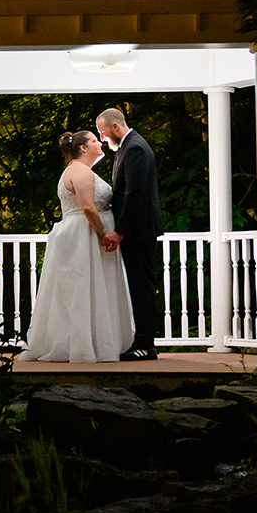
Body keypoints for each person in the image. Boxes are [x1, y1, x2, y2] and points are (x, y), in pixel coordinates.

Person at [18, 130, 134, 363]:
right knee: (82, 289)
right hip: (84, 235)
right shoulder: (80, 172)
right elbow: (88, 208)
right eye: (93, 141)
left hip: (82, 233)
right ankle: (81, 346)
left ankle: (91, 340)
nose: (99, 143)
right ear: (83, 148)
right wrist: (103, 235)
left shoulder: (80, 170)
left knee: (88, 289)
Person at [97, 108, 163, 361]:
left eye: (103, 133)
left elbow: (135, 194)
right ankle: (142, 341)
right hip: (136, 229)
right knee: (138, 285)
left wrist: (119, 231)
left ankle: (145, 345)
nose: (103, 138)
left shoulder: (135, 148)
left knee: (142, 286)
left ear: (115, 127)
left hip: (139, 230)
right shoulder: (128, 147)